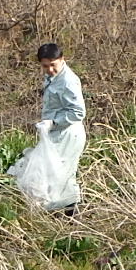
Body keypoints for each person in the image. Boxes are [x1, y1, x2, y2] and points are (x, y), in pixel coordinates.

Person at [33, 41, 86, 212]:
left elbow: (78, 112)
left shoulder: (68, 81)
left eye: (53, 65)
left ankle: (73, 218)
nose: (49, 69)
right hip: (56, 134)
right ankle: (58, 214)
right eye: (45, 66)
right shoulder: (52, 77)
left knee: (64, 175)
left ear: (62, 59)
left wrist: (53, 122)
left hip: (68, 134)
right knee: (52, 174)